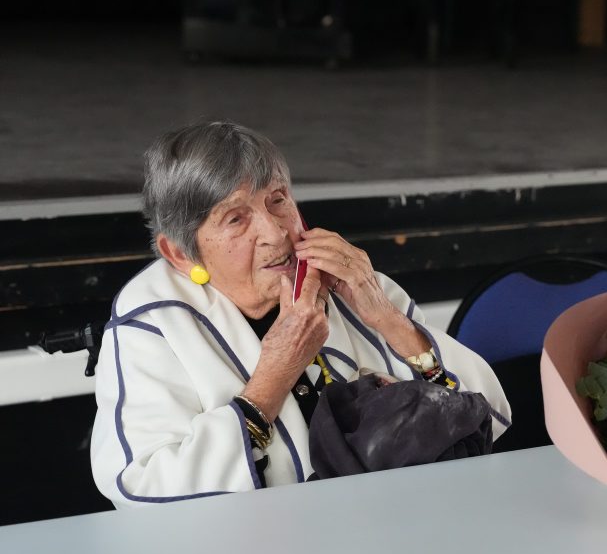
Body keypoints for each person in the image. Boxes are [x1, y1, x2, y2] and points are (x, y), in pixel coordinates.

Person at [91, 121, 511, 507]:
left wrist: (389, 320)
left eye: (278, 200)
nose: (276, 233)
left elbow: (490, 419)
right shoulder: (151, 326)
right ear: (181, 254)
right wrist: (275, 375)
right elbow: (144, 490)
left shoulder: (350, 282)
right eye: (236, 219)